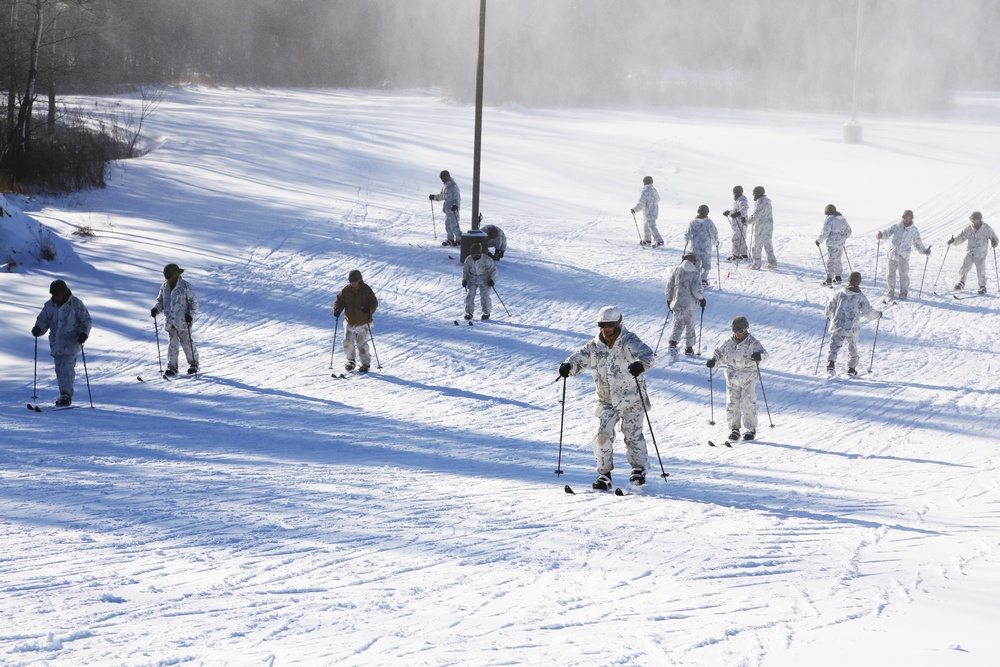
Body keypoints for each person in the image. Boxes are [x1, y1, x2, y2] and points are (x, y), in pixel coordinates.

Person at [558, 306, 654, 489]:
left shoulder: (629, 340)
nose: (606, 329)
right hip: (606, 399)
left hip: (631, 398)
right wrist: (567, 367)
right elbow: (578, 359)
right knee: (602, 435)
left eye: (610, 325)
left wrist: (640, 366)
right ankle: (604, 474)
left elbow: (648, 355)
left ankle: (638, 469)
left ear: (618, 323)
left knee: (632, 435)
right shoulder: (595, 345)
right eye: (602, 325)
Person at [706, 316, 768, 442]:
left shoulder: (753, 343)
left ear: (745, 330)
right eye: (735, 331)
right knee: (732, 403)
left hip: (748, 376)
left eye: (740, 331)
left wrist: (759, 356)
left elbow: (765, 355)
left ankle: (750, 429)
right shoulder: (728, 342)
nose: (737, 334)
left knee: (749, 403)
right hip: (732, 376)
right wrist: (713, 361)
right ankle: (734, 429)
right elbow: (719, 353)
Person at [32, 279, 92, 406]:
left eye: (57, 294)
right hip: (56, 343)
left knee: (66, 369)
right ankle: (63, 394)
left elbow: (86, 320)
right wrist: (38, 328)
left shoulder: (75, 304)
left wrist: (84, 334)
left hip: (71, 343)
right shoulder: (50, 305)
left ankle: (66, 395)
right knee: (59, 370)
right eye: (53, 295)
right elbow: (43, 319)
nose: (55, 297)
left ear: (64, 293)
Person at [824, 271, 881, 376]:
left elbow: (830, 306)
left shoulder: (840, 292)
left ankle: (831, 363)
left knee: (834, 345)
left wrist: (827, 312)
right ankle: (851, 368)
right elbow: (868, 312)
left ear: (849, 280)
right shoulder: (860, 296)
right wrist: (877, 315)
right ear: (859, 282)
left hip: (838, 324)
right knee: (852, 346)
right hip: (852, 327)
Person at [150, 263, 200, 376]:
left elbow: (194, 303)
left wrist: (191, 315)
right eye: (167, 278)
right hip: (170, 320)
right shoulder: (164, 287)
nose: (169, 280)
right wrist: (156, 309)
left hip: (183, 321)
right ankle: (172, 367)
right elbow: (160, 301)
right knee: (172, 344)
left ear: (176, 276)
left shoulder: (185, 286)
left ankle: (194, 364)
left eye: (170, 277)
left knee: (186, 342)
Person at [877, 210, 930, 300]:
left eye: (909, 217)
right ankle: (891, 290)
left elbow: (917, 242)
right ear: (903, 217)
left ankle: (904, 292)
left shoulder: (914, 230)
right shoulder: (897, 227)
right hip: (893, 254)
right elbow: (887, 233)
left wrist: (924, 251)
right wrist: (881, 235)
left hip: (904, 256)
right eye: (905, 217)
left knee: (904, 275)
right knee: (890, 274)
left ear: (911, 218)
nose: (907, 219)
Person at [333, 269, 379, 372]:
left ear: (359, 280)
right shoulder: (346, 290)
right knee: (347, 342)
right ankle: (351, 361)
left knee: (361, 344)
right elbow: (339, 301)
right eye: (351, 281)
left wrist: (369, 310)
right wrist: (337, 309)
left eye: (355, 281)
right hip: (350, 321)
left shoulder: (366, 290)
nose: (353, 283)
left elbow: (374, 302)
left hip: (363, 322)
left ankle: (365, 363)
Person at [664, 252, 705, 355]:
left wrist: (669, 299)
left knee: (677, 324)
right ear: (693, 261)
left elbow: (669, 286)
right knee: (690, 325)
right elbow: (696, 289)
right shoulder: (695, 273)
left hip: (677, 303)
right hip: (689, 306)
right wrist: (701, 298)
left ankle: (672, 344)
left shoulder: (677, 270)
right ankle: (689, 348)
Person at [948, 211, 999, 295]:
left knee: (981, 271)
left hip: (981, 254)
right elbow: (961, 237)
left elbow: (994, 237)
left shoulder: (986, 228)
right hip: (970, 253)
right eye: (971, 219)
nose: (972, 221)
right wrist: (953, 241)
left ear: (979, 219)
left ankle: (982, 287)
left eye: (974, 219)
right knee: (965, 267)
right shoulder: (968, 228)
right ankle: (961, 282)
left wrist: (994, 242)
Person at [816, 204, 852, 285]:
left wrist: (819, 240)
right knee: (838, 259)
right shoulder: (842, 219)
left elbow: (825, 232)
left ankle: (829, 279)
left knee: (831, 260)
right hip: (841, 243)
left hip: (833, 243)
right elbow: (849, 231)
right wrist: (843, 238)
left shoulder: (830, 219)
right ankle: (838, 277)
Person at [684, 204, 719, 286]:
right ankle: (703, 279)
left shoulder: (693, 222)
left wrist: (687, 240)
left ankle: (696, 279)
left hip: (695, 247)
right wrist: (715, 242)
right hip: (706, 248)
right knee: (706, 264)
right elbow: (714, 233)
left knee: (696, 264)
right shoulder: (709, 222)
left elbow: (688, 232)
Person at [461, 243, 497, 320]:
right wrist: (464, 279)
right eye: (473, 254)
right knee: (470, 295)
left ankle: (486, 312)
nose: (474, 256)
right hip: (472, 278)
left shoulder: (487, 259)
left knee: (485, 296)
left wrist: (492, 279)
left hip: (485, 279)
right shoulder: (469, 259)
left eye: (476, 254)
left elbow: (493, 270)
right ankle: (469, 312)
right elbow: (465, 270)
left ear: (480, 252)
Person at [429, 170, 462, 246]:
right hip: (447, 209)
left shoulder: (453, 185)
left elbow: (457, 196)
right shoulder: (445, 186)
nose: (442, 179)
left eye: (443, 177)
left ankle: (459, 239)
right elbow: (442, 196)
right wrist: (434, 197)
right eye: (441, 178)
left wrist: (456, 205)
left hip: (453, 209)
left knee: (454, 225)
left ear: (447, 176)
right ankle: (450, 239)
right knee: (448, 225)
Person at [747, 186, 777, 270]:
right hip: (769, 226)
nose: (754, 196)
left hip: (761, 226)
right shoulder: (767, 201)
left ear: (758, 193)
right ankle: (772, 262)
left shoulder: (760, 202)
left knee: (756, 245)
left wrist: (746, 221)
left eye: (754, 194)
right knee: (767, 244)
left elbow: (756, 217)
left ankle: (756, 264)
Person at [631, 175, 663, 247]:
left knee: (651, 225)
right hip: (654, 210)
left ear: (644, 182)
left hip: (649, 210)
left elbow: (641, 203)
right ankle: (647, 240)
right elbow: (658, 199)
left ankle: (660, 240)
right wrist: (653, 204)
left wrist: (635, 209)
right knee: (647, 224)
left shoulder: (645, 191)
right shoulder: (654, 190)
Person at [723, 185, 749, 260]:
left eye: (735, 192)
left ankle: (735, 255)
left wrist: (738, 214)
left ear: (739, 192)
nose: (734, 194)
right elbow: (736, 210)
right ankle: (743, 255)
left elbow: (744, 209)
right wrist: (729, 212)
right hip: (739, 222)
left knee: (736, 239)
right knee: (741, 238)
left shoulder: (742, 200)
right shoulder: (738, 200)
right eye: (734, 192)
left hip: (740, 222)